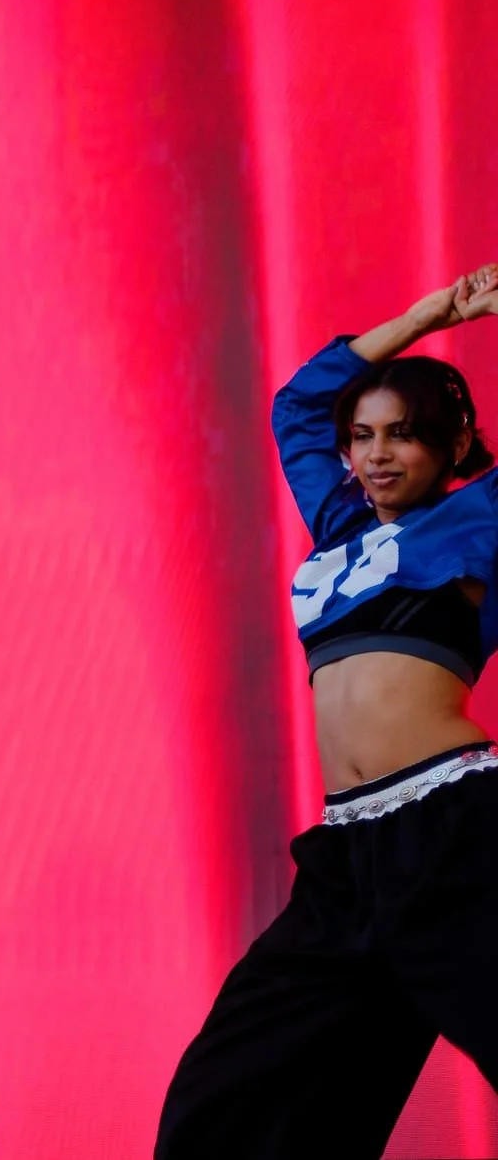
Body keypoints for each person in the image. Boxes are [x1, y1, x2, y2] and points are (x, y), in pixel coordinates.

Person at [156, 267, 498, 1158]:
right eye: (365, 437)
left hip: (456, 832)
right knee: (232, 1096)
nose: (379, 454)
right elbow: (298, 406)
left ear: (455, 440)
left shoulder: (480, 518)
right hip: (348, 856)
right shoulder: (341, 525)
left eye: (406, 436)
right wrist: (429, 315)